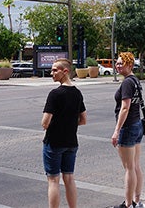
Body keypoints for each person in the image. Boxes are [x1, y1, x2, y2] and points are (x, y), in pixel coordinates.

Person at [41, 58, 87, 208]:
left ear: (65, 71)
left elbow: (45, 122)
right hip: (71, 143)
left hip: (54, 143)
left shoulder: (55, 94)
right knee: (69, 178)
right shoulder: (77, 93)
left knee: (53, 180)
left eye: (55, 70)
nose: (51, 73)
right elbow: (83, 119)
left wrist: (54, 125)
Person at [111, 52, 144, 208]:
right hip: (137, 125)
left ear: (129, 65)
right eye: (117, 63)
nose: (118, 66)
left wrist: (117, 130)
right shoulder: (135, 81)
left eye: (121, 63)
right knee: (135, 166)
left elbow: (125, 108)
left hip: (128, 127)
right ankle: (137, 201)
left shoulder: (127, 83)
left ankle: (128, 204)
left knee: (129, 168)